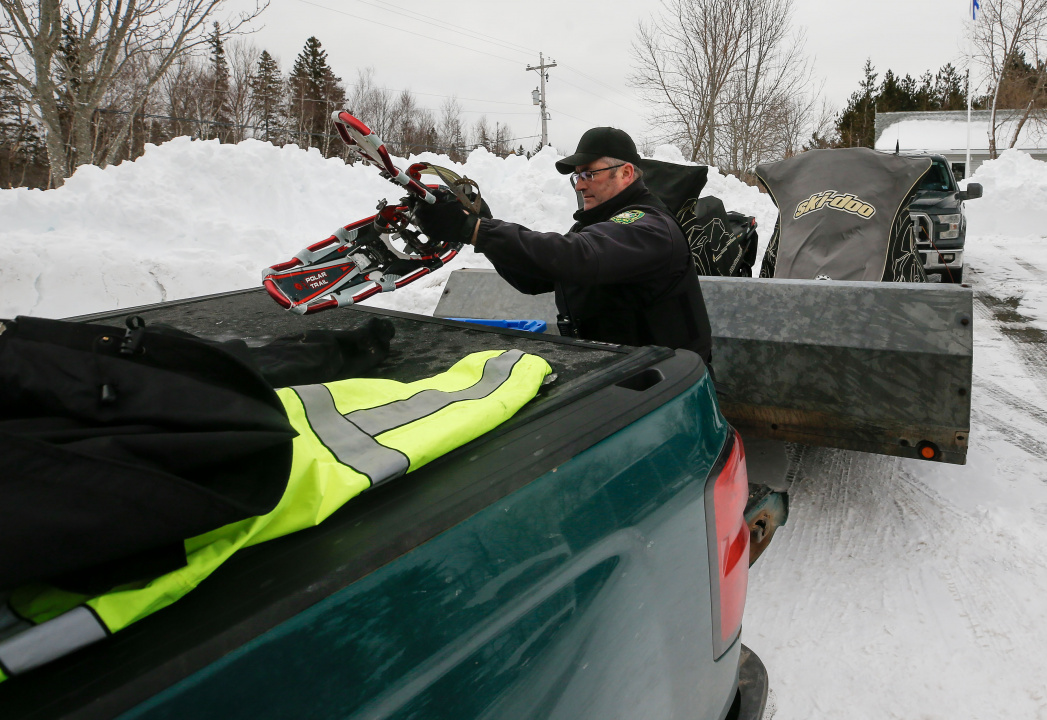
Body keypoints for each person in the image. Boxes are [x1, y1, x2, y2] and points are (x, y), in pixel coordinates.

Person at [415, 127, 713, 366]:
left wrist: (478, 230)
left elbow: (579, 255)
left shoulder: (650, 225)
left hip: (667, 383)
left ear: (625, 173)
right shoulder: (599, 224)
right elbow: (532, 278)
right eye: (577, 176)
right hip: (619, 371)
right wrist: (483, 226)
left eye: (589, 174)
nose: (580, 185)